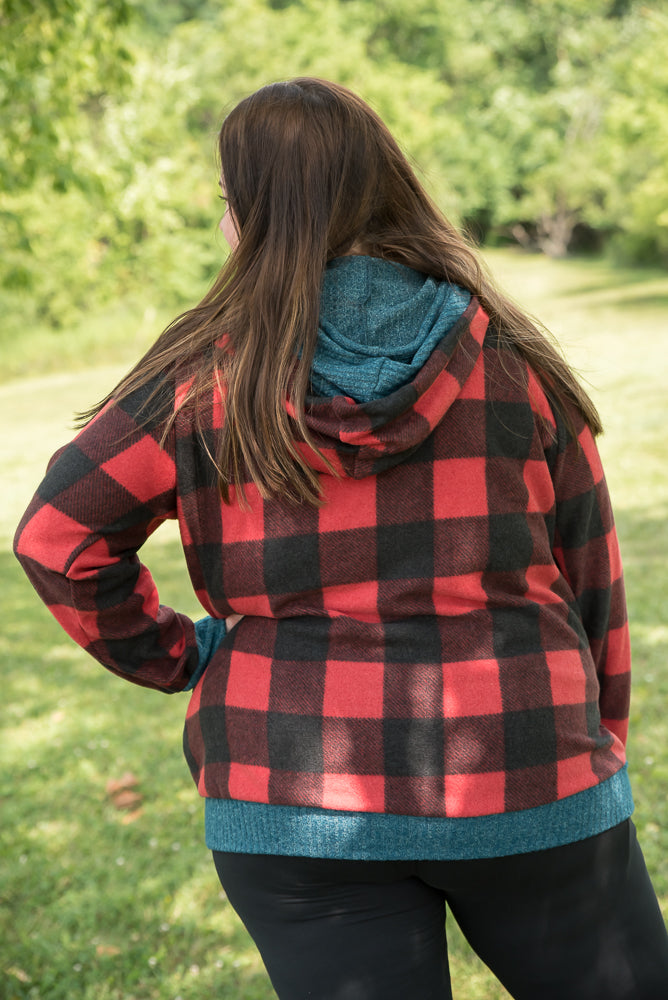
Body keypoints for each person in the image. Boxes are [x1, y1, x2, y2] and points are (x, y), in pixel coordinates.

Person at [13, 77, 668, 999]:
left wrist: (181, 658)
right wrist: (596, 745)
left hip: (291, 801)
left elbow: (58, 539)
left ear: (251, 217)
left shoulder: (201, 378)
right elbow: (592, 573)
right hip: (532, 772)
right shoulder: (512, 359)